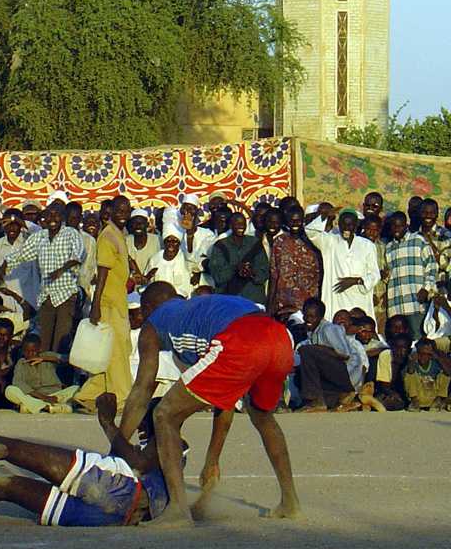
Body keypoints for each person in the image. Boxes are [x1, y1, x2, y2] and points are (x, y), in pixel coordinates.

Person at [119, 281, 300, 527]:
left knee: (164, 414)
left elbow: (141, 391)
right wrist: (212, 459)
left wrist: (117, 448)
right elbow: (225, 399)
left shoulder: (154, 322)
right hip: (278, 339)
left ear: (148, 307)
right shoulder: (198, 309)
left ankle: (178, 510)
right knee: (262, 415)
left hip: (240, 340)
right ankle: (290, 502)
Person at [0, 393, 181, 528]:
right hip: (115, 516)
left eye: (144, 421)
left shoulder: (172, 440)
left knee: (14, 449)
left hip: (119, 488)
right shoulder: (167, 455)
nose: (140, 426)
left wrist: (106, 420)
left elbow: (136, 465)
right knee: (5, 486)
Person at [0, 203, 83, 355]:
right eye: (49, 215)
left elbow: (78, 255)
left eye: (56, 215)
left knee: (61, 339)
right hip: (46, 295)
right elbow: (21, 254)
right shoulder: (39, 237)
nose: (52, 219)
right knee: (44, 340)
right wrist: (2, 268)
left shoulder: (71, 234)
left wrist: (61, 270)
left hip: (65, 295)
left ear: (62, 217)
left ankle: (58, 375)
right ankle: (44, 372)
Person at [75, 195, 134, 410]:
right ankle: (121, 397)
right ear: (110, 212)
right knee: (118, 352)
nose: (123, 215)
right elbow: (102, 273)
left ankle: (90, 395)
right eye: (119, 210)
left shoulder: (118, 234)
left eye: (126, 211)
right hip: (108, 303)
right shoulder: (108, 235)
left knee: (109, 353)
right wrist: (96, 305)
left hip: (117, 301)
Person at [306, 209, 380, 320]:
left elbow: (375, 275)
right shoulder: (330, 242)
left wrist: (355, 281)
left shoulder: (367, 245)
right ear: (339, 225)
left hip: (360, 298)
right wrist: (324, 216)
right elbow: (311, 232)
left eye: (350, 225)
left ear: (356, 226)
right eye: (343, 224)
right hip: (336, 298)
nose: (346, 228)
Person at [297, 298, 367, 412]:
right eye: (306, 316)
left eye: (312, 317)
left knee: (306, 351)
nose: (308, 320)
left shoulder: (329, 329)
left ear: (320, 317)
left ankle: (318, 400)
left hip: (348, 373)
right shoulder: (313, 332)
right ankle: (341, 400)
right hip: (334, 377)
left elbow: (345, 355)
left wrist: (318, 349)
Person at [385, 211, 437, 338]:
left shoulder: (418, 240)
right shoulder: (389, 248)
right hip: (396, 306)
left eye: (400, 226)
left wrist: (426, 288)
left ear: (406, 225)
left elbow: (432, 266)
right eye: (393, 226)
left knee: (417, 339)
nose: (396, 229)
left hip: (415, 303)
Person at [267, 206, 322, 319]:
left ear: (303, 221)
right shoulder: (280, 241)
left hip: (307, 305)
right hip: (283, 304)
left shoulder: (313, 242)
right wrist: (270, 303)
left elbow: (320, 274)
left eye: (298, 220)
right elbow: (274, 274)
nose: (295, 224)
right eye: (292, 220)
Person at [5, 333, 78, 414]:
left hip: (56, 395)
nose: (30, 354)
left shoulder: (48, 355)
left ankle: (32, 407)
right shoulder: (21, 363)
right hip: (35, 397)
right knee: (9, 390)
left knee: (76, 388)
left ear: (39, 349)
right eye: (26, 351)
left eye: (33, 351)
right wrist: (44, 397)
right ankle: (47, 407)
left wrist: (44, 359)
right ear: (22, 350)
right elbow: (18, 382)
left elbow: (68, 359)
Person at [210, 213, 269, 304]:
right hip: (229, 300)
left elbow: (264, 272)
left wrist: (251, 273)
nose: (241, 226)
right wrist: (235, 268)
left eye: (243, 224)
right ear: (230, 225)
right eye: (237, 223)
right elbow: (218, 276)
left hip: (253, 299)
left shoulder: (255, 243)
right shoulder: (220, 246)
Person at [0, 209, 40, 312]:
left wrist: (15, 219)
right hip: (8, 301)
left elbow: (39, 233)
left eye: (15, 224)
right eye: (8, 224)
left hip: (30, 298)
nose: (11, 228)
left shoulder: (29, 241)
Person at [404, 338, 451, 411]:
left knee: (444, 375)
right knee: (410, 375)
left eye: (428, 354)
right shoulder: (413, 364)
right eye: (421, 353)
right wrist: (412, 361)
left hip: (432, 396)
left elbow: (448, 373)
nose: (424, 357)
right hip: (418, 396)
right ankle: (414, 403)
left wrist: (438, 358)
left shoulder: (435, 364)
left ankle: (437, 402)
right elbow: (410, 373)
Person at [146, 224, 192, 297]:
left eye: (175, 241)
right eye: (168, 241)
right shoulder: (154, 259)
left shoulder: (186, 258)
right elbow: (149, 283)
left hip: (181, 301)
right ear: (164, 242)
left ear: (179, 243)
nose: (171, 244)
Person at [127, 208, 161, 284]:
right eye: (135, 223)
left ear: (147, 224)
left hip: (152, 285)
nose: (138, 226)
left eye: (141, 223)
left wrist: (147, 277)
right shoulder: (126, 241)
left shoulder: (157, 240)